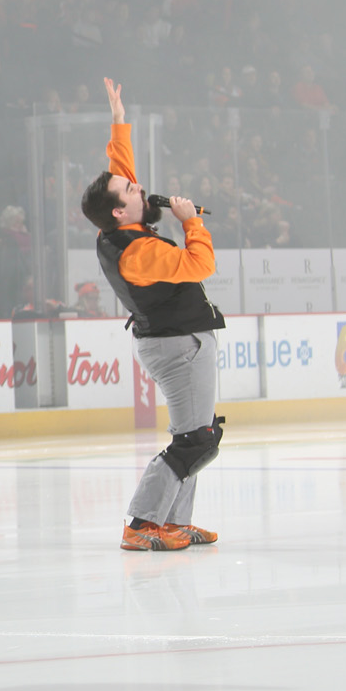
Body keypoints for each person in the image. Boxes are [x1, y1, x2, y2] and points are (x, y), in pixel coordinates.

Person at [79, 78, 225, 552]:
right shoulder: (137, 249)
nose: (138, 185)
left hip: (180, 339)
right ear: (120, 212)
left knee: (198, 436)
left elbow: (119, 167)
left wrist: (118, 118)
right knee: (194, 440)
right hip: (178, 344)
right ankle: (143, 522)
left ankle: (173, 523)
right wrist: (191, 221)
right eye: (130, 189)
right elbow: (200, 264)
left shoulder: (121, 224)